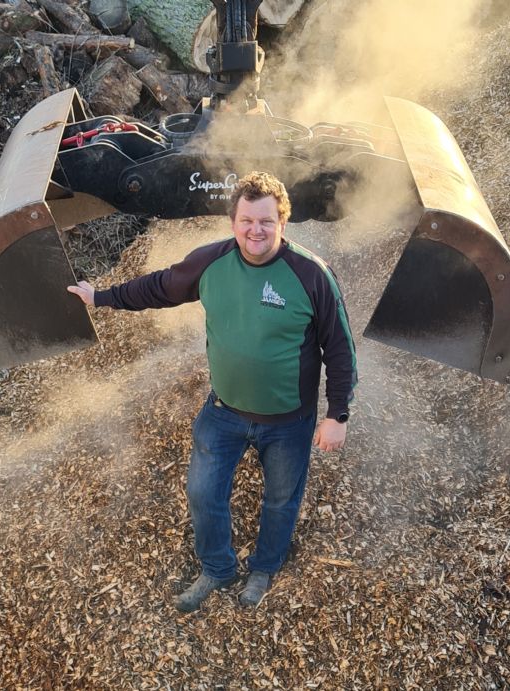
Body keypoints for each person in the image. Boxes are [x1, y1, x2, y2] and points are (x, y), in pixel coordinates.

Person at [68, 171, 356, 612]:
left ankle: (264, 568)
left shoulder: (312, 275)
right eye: (246, 220)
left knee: (281, 500)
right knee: (204, 493)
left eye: (266, 221)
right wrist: (102, 297)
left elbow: (339, 348)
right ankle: (217, 568)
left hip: (288, 420)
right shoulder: (211, 262)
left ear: (282, 222)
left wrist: (337, 415)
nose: (255, 230)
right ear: (233, 222)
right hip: (223, 412)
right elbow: (159, 287)